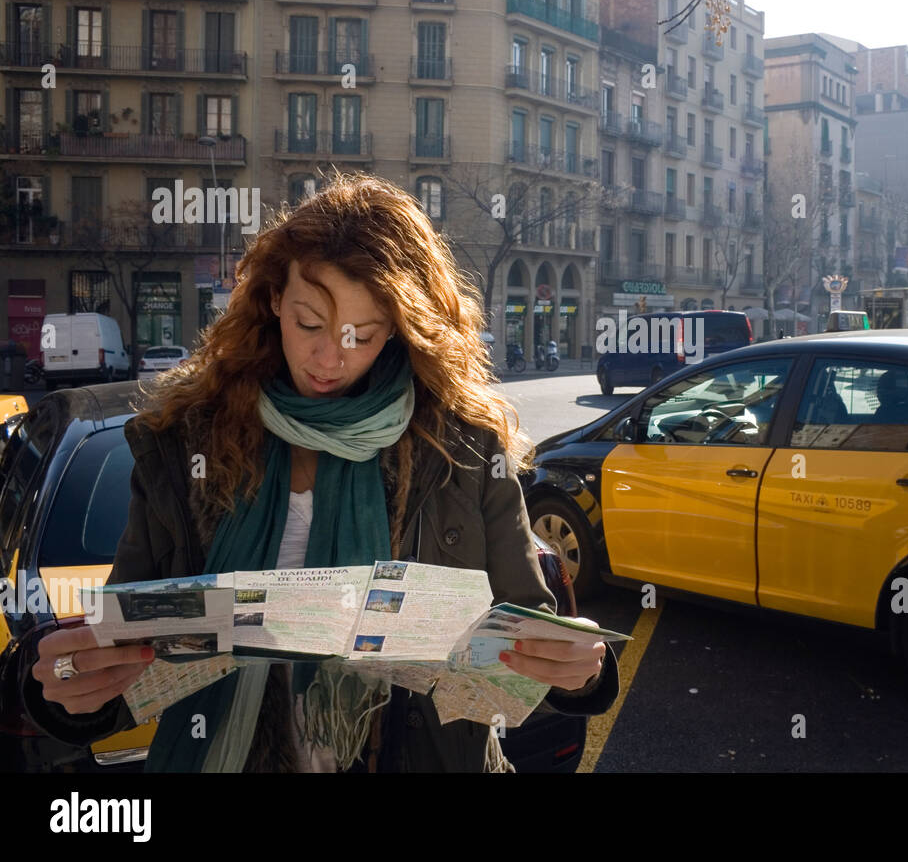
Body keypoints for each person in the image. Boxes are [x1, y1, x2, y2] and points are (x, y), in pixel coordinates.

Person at [20, 173, 618, 772]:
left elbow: (526, 640)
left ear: (399, 330)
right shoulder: (182, 442)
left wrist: (576, 674)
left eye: (362, 335)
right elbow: (127, 658)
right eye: (309, 323)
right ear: (274, 296)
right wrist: (75, 689)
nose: (330, 358)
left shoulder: (460, 445)